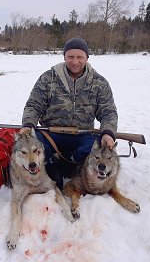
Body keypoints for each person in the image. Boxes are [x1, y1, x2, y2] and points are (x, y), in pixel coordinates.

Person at [20, 36, 118, 189]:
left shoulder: (100, 83)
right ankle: (54, 165)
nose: (75, 61)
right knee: (35, 144)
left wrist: (108, 132)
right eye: (70, 57)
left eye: (80, 57)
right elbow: (33, 105)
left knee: (95, 145)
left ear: (87, 57)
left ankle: (66, 162)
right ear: (64, 56)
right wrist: (28, 124)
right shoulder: (47, 78)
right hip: (50, 134)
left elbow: (108, 111)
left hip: (83, 134)